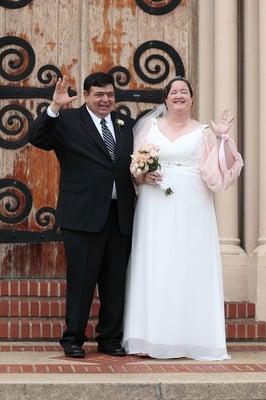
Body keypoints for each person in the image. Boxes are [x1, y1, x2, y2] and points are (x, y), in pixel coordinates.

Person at [122, 76, 243, 361]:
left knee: (190, 264)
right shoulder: (149, 128)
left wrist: (223, 137)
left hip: (193, 204)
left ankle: (193, 337)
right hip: (154, 203)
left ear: (191, 99)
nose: (179, 95)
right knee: (156, 263)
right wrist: (142, 174)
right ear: (165, 99)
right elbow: (132, 168)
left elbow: (220, 173)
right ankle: (152, 338)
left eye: (184, 92)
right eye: (173, 92)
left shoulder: (203, 132)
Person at [29, 72, 135, 358]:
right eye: (99, 94)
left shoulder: (127, 125)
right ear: (87, 95)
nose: (105, 100)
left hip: (120, 214)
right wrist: (54, 107)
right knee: (81, 280)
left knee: (115, 282)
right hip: (82, 214)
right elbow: (36, 138)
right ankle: (73, 339)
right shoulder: (67, 120)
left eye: (110, 95)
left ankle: (110, 338)